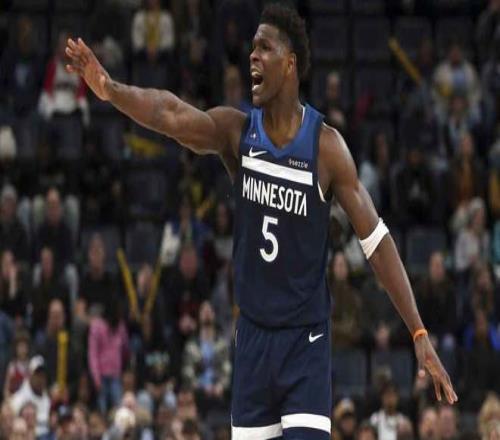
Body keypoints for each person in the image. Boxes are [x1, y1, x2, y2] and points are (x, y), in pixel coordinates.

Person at [65, 4, 457, 437]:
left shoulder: (325, 147)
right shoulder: (237, 133)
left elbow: (376, 241)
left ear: (290, 64)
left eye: (264, 48)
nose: (252, 55)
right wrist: (112, 90)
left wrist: (418, 331)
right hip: (252, 339)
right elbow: (171, 114)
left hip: (305, 342)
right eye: (252, 47)